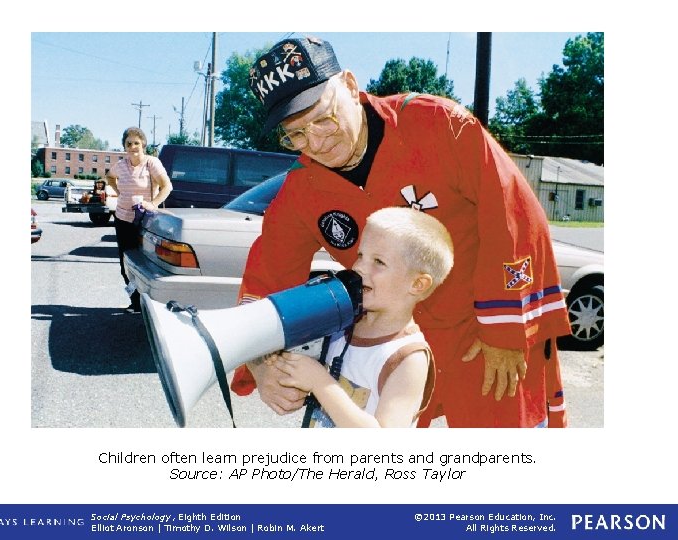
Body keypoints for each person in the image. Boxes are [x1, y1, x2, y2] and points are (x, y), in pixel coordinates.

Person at [231, 36, 570, 428]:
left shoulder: (438, 124)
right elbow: (266, 275)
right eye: (297, 135)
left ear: (351, 87)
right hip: (394, 346)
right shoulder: (300, 190)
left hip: (481, 329)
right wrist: (259, 363)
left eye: (323, 118)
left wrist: (507, 330)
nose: (316, 142)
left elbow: (514, 213)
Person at [274, 207, 454, 428]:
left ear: (417, 284)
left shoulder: (408, 359)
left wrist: (319, 381)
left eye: (379, 262)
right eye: (360, 255)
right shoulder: (343, 325)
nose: (359, 267)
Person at [106, 127, 172, 314]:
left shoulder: (152, 163)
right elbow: (109, 176)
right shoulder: (122, 164)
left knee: (148, 264)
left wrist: (154, 203)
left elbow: (167, 186)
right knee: (126, 264)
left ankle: (151, 305)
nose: (133, 147)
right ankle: (135, 303)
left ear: (143, 144)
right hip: (123, 219)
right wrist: (118, 192)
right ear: (124, 146)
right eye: (129, 143)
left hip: (146, 221)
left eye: (136, 142)